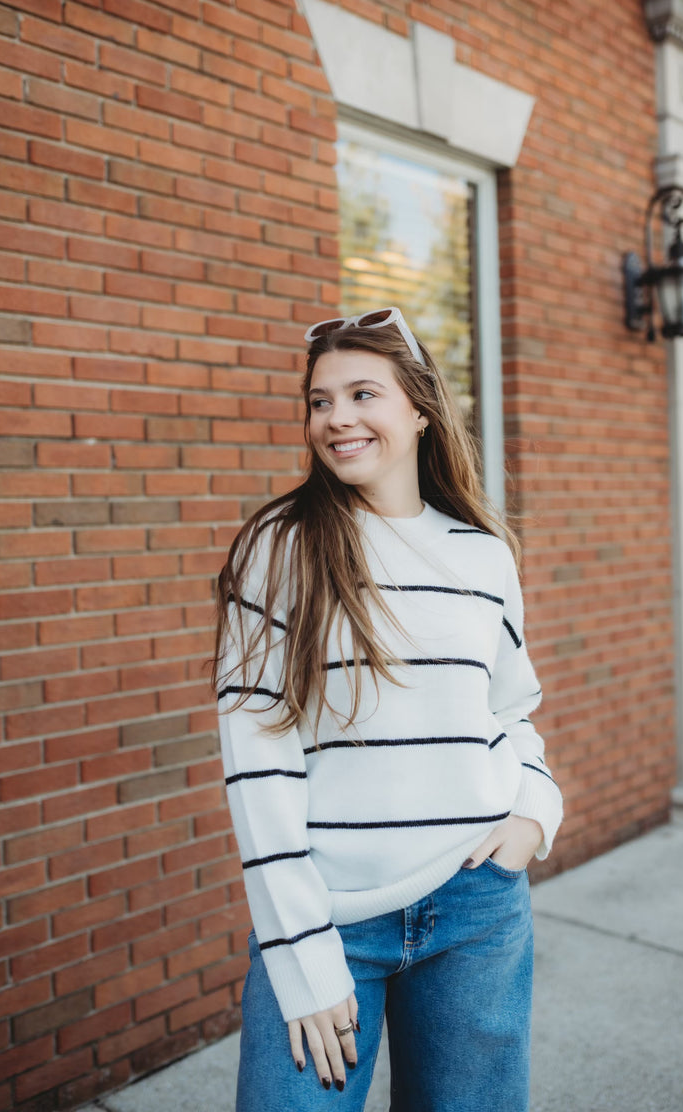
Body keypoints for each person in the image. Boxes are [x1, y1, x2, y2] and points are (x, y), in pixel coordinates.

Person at [213, 307, 563, 1112]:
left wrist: (535, 815)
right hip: (331, 917)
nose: (336, 418)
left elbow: (512, 710)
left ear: (420, 408)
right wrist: (300, 949)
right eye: (320, 401)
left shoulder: (483, 553)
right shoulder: (278, 547)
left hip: (478, 905)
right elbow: (258, 756)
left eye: (362, 394)